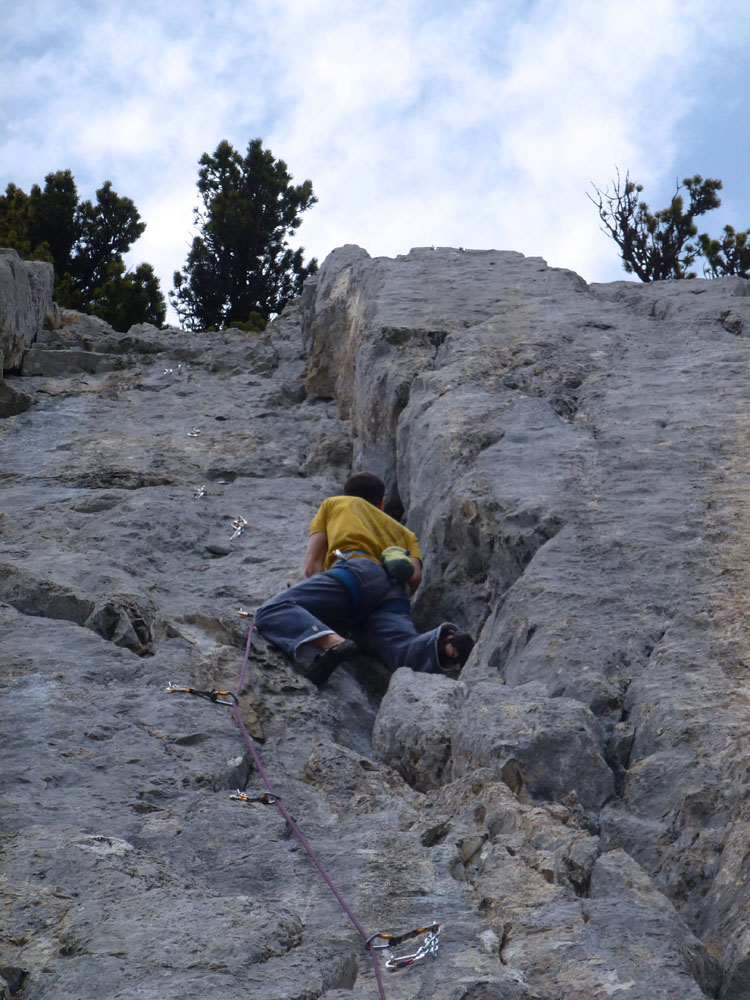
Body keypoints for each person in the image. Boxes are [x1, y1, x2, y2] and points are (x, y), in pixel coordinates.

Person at [254, 472, 474, 686]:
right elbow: (414, 577)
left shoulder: (334, 504)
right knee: (403, 652)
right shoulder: (404, 532)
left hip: (355, 573)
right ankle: (446, 644)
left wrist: (329, 607)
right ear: (381, 502)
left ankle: (333, 644)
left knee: (272, 610)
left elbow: (312, 567)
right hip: (395, 592)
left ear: (347, 494)